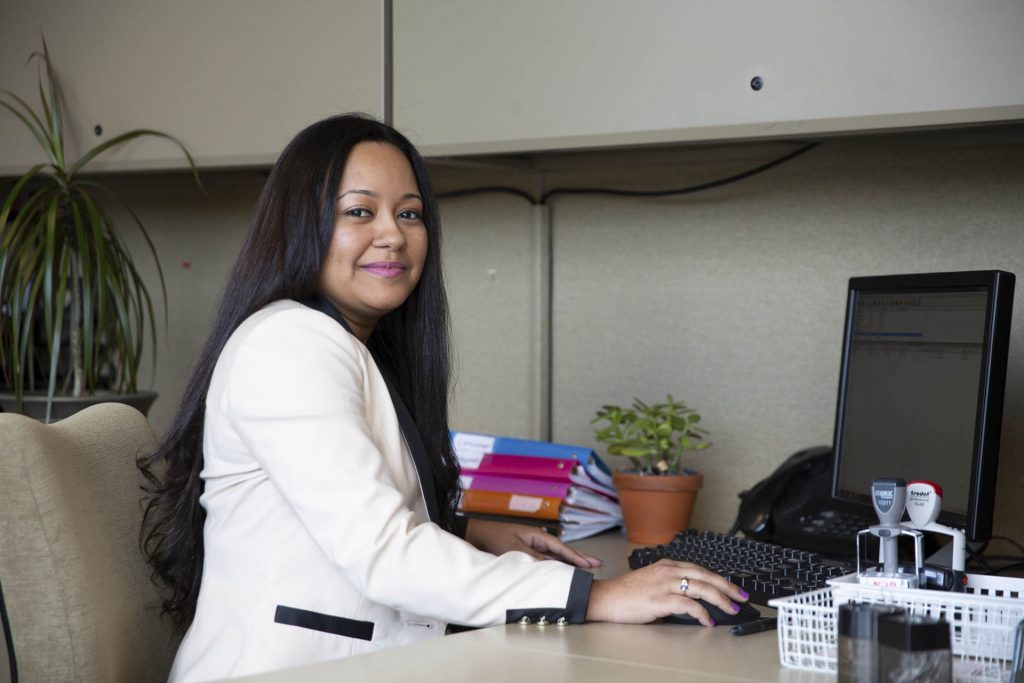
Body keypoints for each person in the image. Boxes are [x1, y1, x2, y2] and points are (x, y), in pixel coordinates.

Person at [138, 113, 748, 682]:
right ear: (301, 225)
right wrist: (597, 596)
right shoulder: (290, 344)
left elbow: (336, 510)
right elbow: (382, 554)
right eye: (359, 211)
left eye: (409, 214)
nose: (392, 236)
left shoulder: (350, 344)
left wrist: (466, 528)